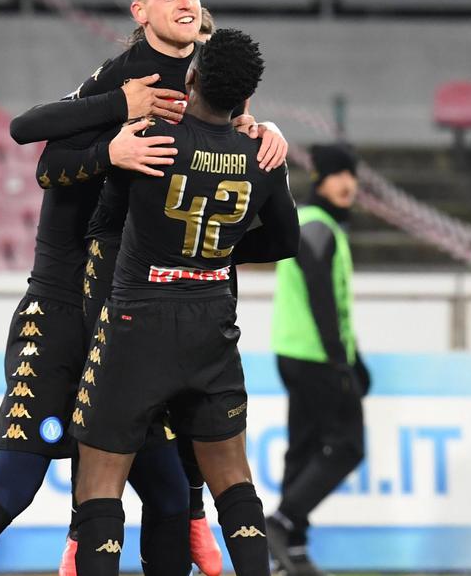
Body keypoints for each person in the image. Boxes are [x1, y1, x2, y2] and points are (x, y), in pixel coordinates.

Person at [0, 0, 287, 576]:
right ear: (139, 12)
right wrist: (118, 127)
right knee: (196, 478)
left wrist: (261, 134)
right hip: (164, 307)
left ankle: (100, 542)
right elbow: (42, 153)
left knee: (135, 480)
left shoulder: (190, 109)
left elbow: (120, 217)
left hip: (166, 310)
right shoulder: (141, 86)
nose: (185, 1)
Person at [70, 28, 300, 576]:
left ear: (192, 77)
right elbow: (285, 242)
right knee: (233, 481)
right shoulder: (262, 155)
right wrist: (221, 249)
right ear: (246, 99)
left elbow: (105, 219)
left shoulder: (154, 136)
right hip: (211, 319)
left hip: (138, 318)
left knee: (101, 484)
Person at [266, 143, 370, 576]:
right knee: (347, 445)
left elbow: (338, 306)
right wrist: (340, 362)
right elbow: (323, 300)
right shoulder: (316, 226)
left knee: (305, 447)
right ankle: (283, 520)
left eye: (353, 174)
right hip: (313, 356)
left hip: (297, 352)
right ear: (321, 179)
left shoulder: (314, 224)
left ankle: (291, 548)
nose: (349, 183)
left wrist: (355, 357)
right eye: (339, 173)